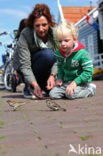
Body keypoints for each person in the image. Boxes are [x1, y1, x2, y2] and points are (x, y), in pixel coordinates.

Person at [13, 4, 58, 99]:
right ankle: (29, 86)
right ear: (33, 25)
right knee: (48, 55)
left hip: (46, 69)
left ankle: (43, 84)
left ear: (49, 23)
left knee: (55, 93)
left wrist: (53, 75)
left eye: (44, 25)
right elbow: (25, 65)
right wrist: (34, 85)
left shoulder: (55, 33)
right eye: (37, 26)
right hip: (26, 68)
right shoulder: (26, 34)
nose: (41, 29)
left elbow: (59, 57)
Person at [47, 21, 96, 99]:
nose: (63, 44)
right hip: (66, 82)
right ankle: (68, 91)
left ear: (75, 39)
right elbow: (60, 67)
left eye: (66, 40)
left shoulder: (82, 53)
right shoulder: (59, 54)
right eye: (60, 41)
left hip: (81, 83)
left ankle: (90, 89)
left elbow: (89, 72)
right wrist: (60, 78)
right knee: (53, 94)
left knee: (71, 95)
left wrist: (75, 82)